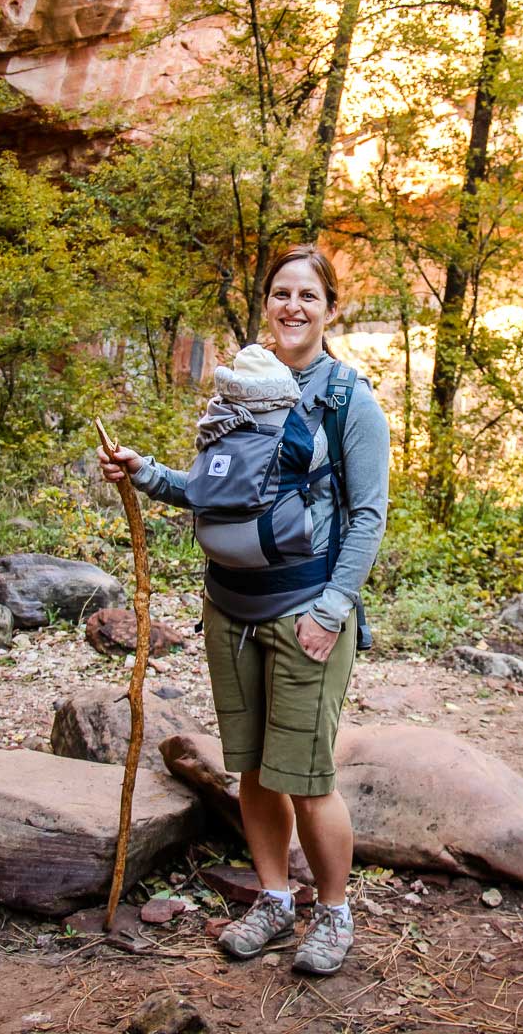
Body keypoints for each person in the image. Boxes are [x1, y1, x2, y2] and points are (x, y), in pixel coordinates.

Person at [98, 245, 390, 975]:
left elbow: (369, 517)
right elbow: (213, 487)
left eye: (308, 296)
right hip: (229, 612)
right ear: (267, 302)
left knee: (309, 778)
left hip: (306, 615)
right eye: (281, 293)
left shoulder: (349, 399)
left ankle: (334, 913)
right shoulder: (239, 388)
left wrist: (332, 610)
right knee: (255, 772)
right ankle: (273, 899)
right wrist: (147, 472)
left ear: (331, 308)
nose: (293, 307)